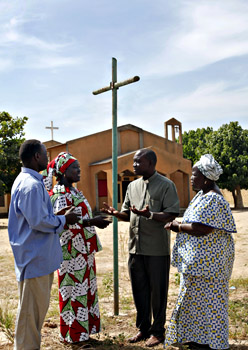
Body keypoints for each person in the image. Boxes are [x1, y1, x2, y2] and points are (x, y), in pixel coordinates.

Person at [102, 148, 180, 347]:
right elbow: (129, 214)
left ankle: (158, 331)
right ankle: (143, 329)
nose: (134, 165)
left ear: (151, 164)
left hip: (157, 250)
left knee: (158, 292)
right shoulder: (132, 186)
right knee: (140, 291)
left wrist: (150, 215)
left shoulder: (166, 185)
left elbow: (171, 214)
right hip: (135, 249)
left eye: (139, 162)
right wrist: (116, 213)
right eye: (134, 162)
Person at [8, 140, 80, 350]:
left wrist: (56, 216)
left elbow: (38, 217)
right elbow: (38, 222)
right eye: (45, 154)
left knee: (33, 315)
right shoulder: (30, 185)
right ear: (37, 157)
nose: (48, 159)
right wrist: (64, 220)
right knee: (30, 316)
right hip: (34, 260)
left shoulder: (29, 181)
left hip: (37, 259)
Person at [164, 154, 236, 350]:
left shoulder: (213, 198)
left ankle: (212, 342)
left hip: (210, 265)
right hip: (200, 264)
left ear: (206, 177)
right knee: (195, 303)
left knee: (211, 305)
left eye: (195, 175)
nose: (192, 178)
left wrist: (178, 226)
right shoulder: (202, 195)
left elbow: (202, 228)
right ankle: (198, 339)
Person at [43, 152, 111, 344]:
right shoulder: (59, 194)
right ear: (64, 171)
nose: (79, 171)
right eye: (75, 168)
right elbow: (63, 221)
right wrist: (93, 221)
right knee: (73, 292)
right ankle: (73, 336)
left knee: (86, 291)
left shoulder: (73, 191)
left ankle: (84, 333)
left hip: (84, 250)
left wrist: (93, 222)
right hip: (70, 252)